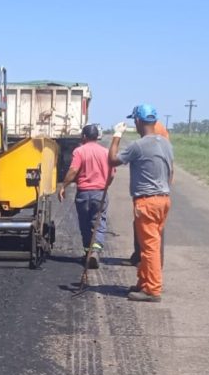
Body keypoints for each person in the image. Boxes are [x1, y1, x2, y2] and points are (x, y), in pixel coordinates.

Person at [108, 104, 174, 303]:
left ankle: (152, 289)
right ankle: (144, 282)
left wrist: (116, 135)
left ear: (137, 121)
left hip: (147, 201)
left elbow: (112, 160)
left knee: (150, 247)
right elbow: (170, 173)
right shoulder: (166, 144)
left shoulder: (139, 146)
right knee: (148, 245)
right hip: (163, 199)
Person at [58, 124, 114, 268]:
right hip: (100, 193)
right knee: (99, 222)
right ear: (98, 137)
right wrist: (105, 185)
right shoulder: (106, 152)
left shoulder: (80, 151)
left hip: (83, 193)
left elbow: (73, 170)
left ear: (84, 136)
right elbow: (112, 173)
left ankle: (88, 252)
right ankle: (95, 251)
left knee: (84, 224)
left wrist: (63, 186)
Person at [126, 110, 170, 266]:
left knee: (150, 239)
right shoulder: (163, 140)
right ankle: (147, 263)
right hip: (161, 191)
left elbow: (114, 160)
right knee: (153, 232)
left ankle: (152, 275)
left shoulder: (149, 140)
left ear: (139, 121)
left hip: (148, 194)